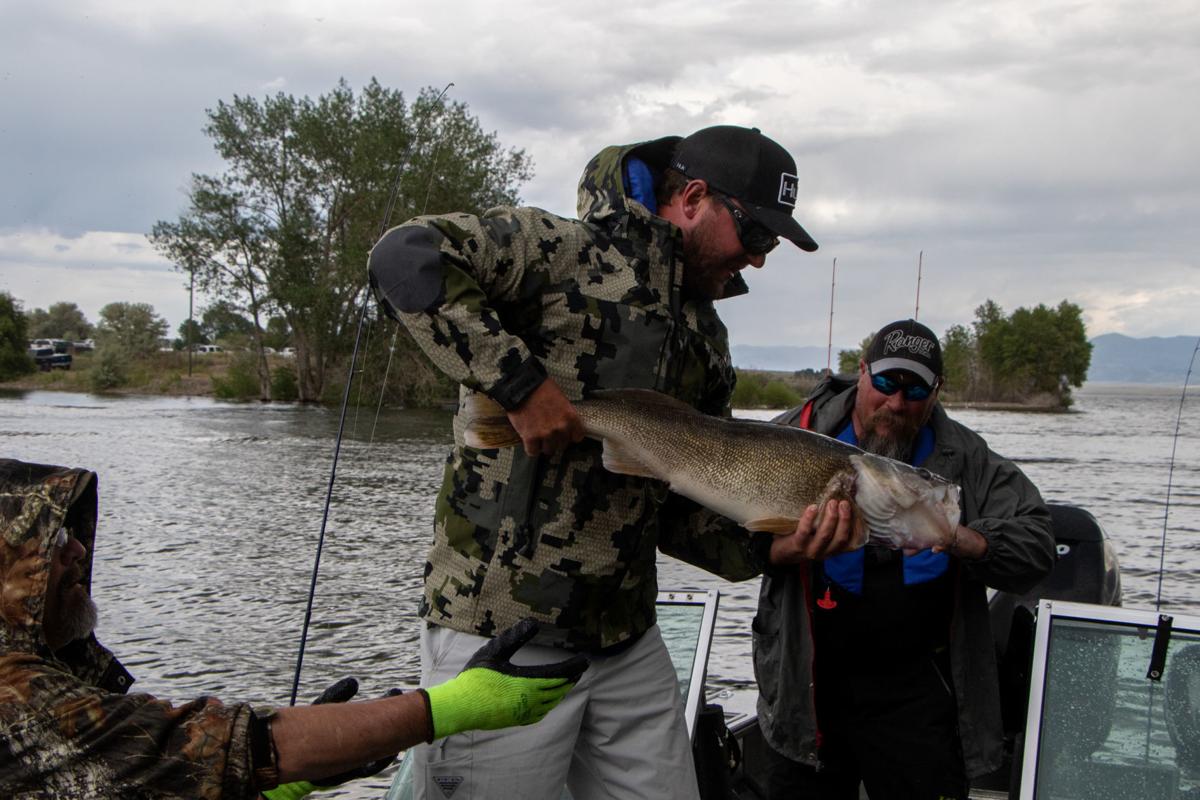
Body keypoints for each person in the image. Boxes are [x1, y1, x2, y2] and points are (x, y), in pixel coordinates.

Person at [367, 124, 821, 799]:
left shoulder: (706, 340)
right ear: (693, 197)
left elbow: (677, 509)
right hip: (500, 634)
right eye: (754, 235)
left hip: (625, 639)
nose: (757, 261)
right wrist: (519, 387)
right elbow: (404, 254)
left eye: (770, 246)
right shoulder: (558, 251)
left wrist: (771, 547)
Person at [0, 459, 588, 799]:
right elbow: (183, 745)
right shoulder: (13, 701)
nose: (78, 549)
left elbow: (135, 779)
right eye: (50, 541)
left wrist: (276, 784)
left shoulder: (48, 669)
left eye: (73, 533)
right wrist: (450, 706)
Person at [752, 319, 1057, 799]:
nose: (896, 403)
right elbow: (724, 540)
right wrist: (785, 550)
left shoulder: (968, 458)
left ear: (936, 393)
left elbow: (1038, 543)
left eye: (914, 389)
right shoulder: (795, 434)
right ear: (862, 372)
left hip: (917, 692)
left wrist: (962, 539)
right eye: (887, 383)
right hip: (809, 684)